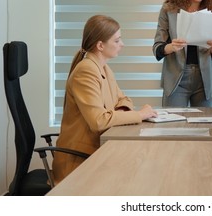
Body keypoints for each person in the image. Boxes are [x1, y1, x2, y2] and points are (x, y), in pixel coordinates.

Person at [52, 15, 157, 185]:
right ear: (100, 45)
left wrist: (117, 112)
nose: (122, 44)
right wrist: (139, 115)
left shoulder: (104, 68)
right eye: (117, 40)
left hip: (96, 151)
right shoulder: (86, 71)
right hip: (80, 161)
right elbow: (99, 121)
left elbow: (123, 99)